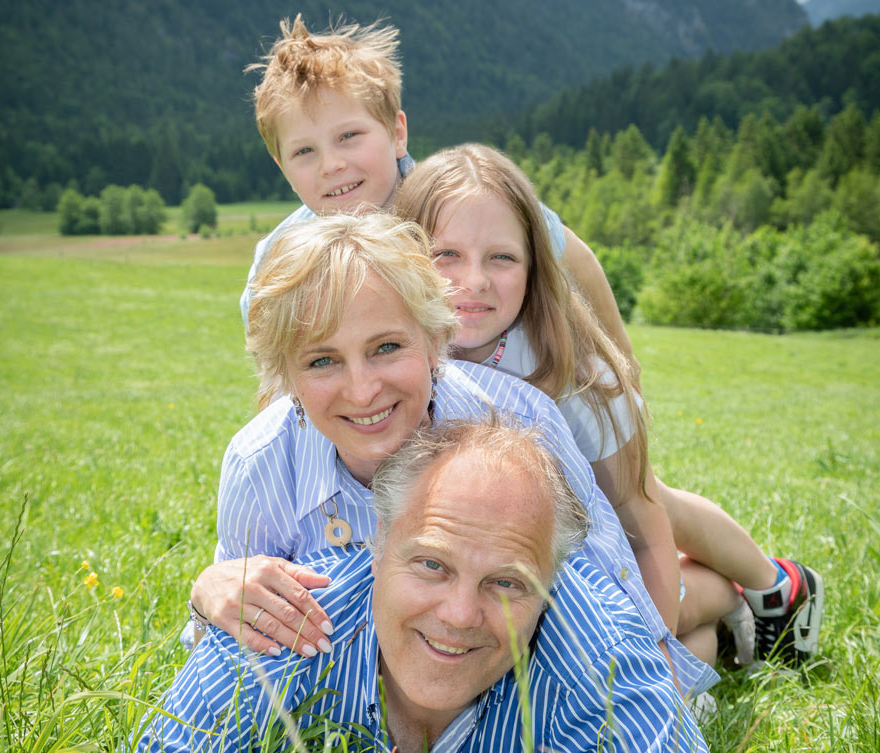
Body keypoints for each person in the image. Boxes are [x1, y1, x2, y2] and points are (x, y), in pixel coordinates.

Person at [188, 211, 717, 698]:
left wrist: (658, 688)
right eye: (322, 361)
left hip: (511, 665)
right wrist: (208, 590)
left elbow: (604, 581)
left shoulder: (521, 421)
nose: (363, 389)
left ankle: (727, 601)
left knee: (687, 645)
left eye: (387, 348)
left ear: (436, 339)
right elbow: (236, 619)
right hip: (393, 683)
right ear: (287, 378)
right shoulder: (260, 462)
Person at [394, 143, 824, 667]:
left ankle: (737, 594)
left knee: (647, 521)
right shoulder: (389, 354)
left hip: (597, 552)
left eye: (501, 257)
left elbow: (642, 521)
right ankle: (713, 623)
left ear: (534, 264)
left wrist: (651, 656)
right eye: (447, 255)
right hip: (522, 556)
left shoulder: (572, 375)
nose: (474, 280)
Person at [138, 416, 708, 752]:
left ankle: (736, 605)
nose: (460, 614)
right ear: (380, 541)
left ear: (553, 585)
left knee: (695, 661)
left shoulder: (602, 661)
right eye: (433, 565)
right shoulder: (274, 639)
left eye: (507, 583)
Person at [238, 14, 624, 363]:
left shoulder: (463, 199)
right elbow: (273, 368)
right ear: (282, 167)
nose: (331, 165)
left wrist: (624, 361)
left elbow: (574, 255)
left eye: (349, 136)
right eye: (304, 151)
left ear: (397, 133)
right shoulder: (277, 263)